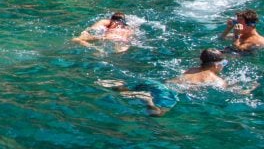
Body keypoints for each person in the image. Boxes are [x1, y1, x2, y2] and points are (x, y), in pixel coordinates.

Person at [99, 48, 257, 116]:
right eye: (223, 64)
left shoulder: (191, 69)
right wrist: (248, 89)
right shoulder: (215, 79)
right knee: (158, 113)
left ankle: (119, 85)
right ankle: (146, 98)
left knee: (127, 90)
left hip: (156, 82)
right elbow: (230, 92)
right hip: (168, 92)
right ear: (216, 65)